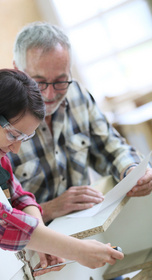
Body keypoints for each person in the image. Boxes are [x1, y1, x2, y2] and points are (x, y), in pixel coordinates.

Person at [0, 69, 124, 280]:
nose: (15, 149)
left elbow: (20, 197)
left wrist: (43, 238)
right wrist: (77, 250)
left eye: (23, 138)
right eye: (13, 135)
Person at [10, 21, 152, 225]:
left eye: (61, 80)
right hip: (36, 245)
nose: (50, 95)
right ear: (18, 70)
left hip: (89, 228)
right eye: (39, 82)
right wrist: (49, 209)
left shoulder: (77, 95)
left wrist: (132, 171)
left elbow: (110, 148)